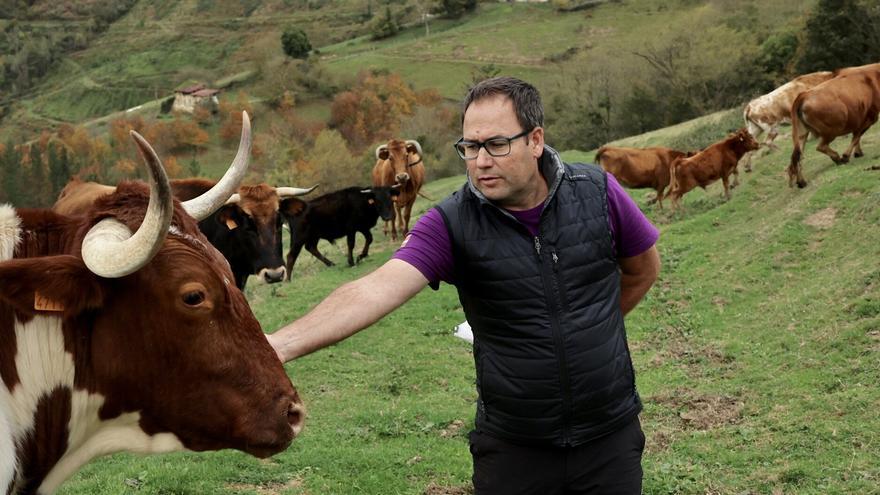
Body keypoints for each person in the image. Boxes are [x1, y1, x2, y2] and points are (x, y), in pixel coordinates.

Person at [269, 76, 661, 494]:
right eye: (470, 148)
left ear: (535, 140)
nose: (480, 162)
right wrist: (277, 345)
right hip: (513, 448)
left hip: (610, 439)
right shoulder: (451, 222)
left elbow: (642, 271)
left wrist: (585, 327)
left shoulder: (599, 193)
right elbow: (375, 288)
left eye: (496, 144)